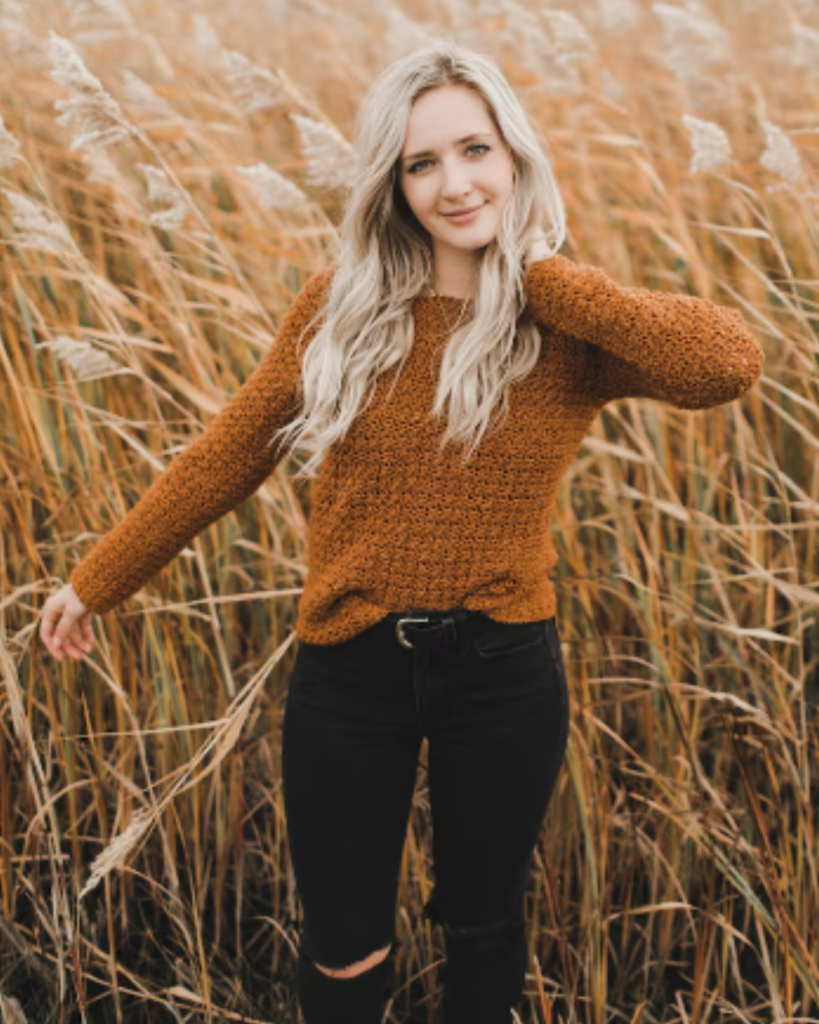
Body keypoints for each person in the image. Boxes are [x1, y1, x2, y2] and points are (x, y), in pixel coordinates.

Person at [39, 40, 765, 1024]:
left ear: (514, 153)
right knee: (344, 949)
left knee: (483, 928)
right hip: (350, 669)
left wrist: (540, 277)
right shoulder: (342, 309)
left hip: (504, 669)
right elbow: (227, 454)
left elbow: (726, 364)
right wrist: (95, 581)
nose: (454, 184)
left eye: (475, 150)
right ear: (394, 182)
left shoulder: (565, 327)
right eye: (422, 163)